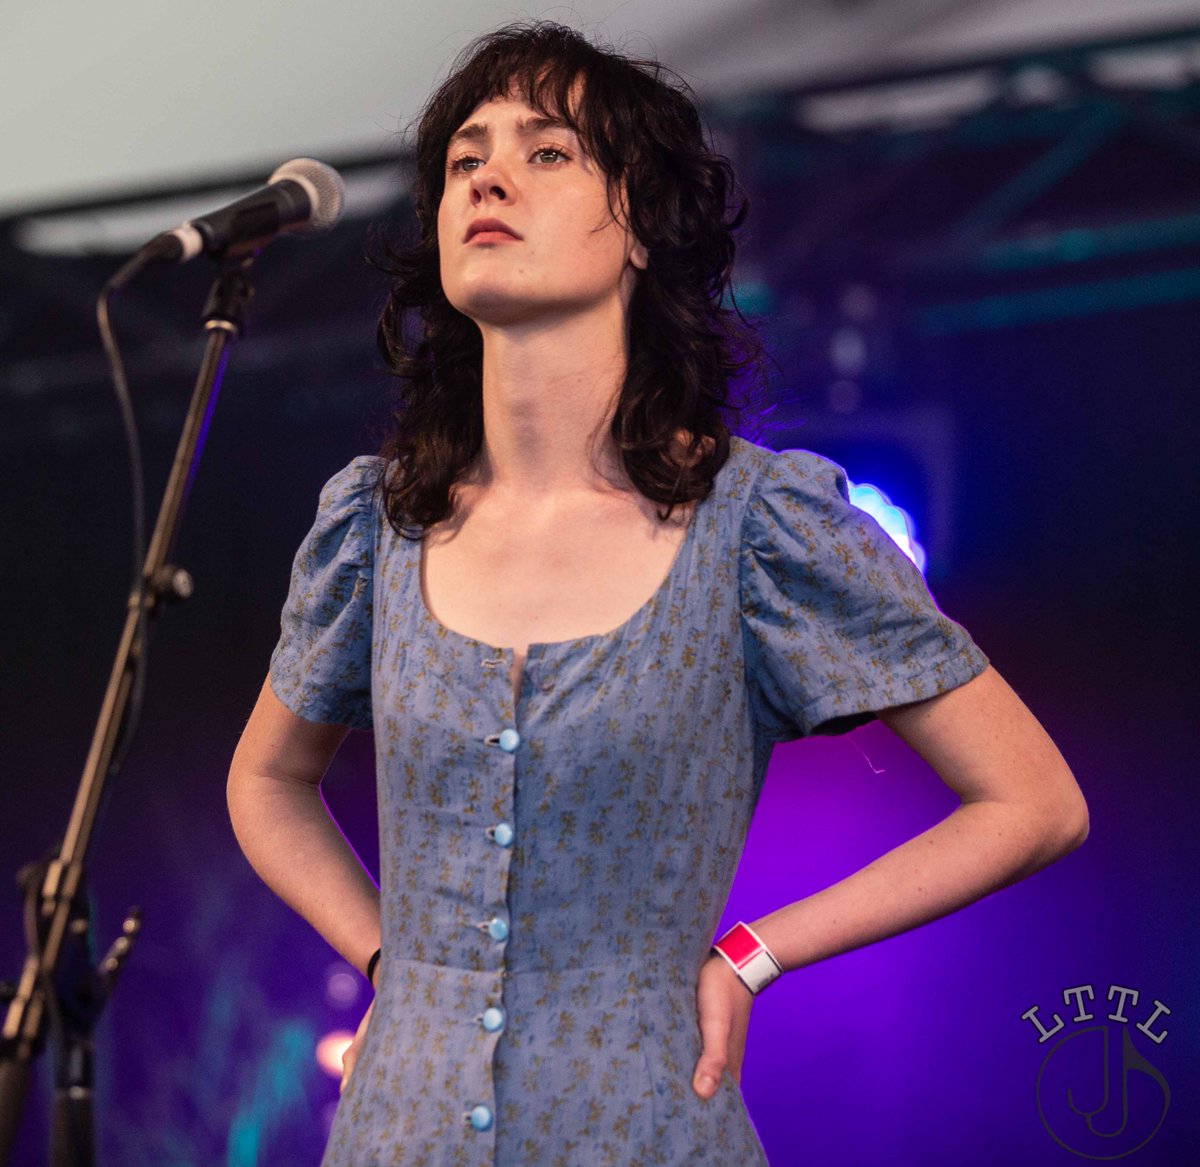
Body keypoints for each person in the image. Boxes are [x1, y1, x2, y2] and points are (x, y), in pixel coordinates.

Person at [226, 21, 1088, 1167]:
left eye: (546, 153)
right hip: (399, 1135)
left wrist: (755, 952)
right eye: (463, 158)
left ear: (636, 222)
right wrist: (393, 956)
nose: (486, 174)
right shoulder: (374, 525)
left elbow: (1034, 802)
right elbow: (267, 779)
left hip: (641, 1132)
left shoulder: (757, 526)